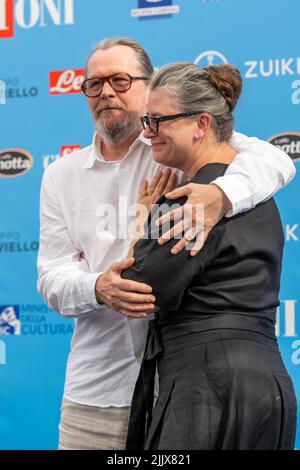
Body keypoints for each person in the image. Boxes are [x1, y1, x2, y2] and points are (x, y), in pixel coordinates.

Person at [37, 37, 296, 450]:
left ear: (148, 85)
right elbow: (51, 277)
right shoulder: (61, 176)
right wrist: (97, 287)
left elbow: (276, 159)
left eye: (121, 80)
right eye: (94, 83)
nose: (106, 92)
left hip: (174, 389)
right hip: (95, 390)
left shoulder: (172, 148)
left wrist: (222, 195)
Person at [123, 63, 297, 450]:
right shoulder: (258, 196)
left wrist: (140, 225)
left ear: (201, 124)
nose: (147, 133)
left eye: (157, 121)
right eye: (146, 121)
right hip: (267, 386)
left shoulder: (188, 202)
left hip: (205, 389)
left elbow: (136, 289)